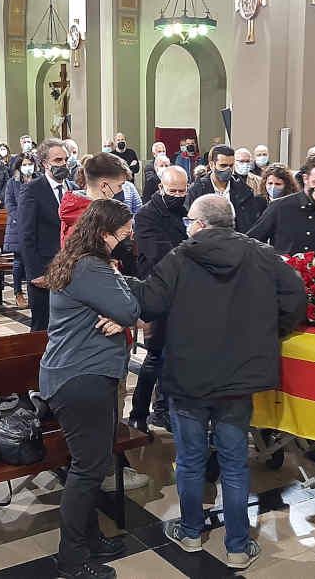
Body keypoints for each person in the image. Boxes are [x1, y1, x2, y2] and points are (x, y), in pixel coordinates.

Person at [127, 194, 305, 571]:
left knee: (190, 460)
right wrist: (270, 331)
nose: (188, 226)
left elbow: (150, 304)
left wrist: (117, 279)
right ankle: (238, 545)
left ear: (202, 224)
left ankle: (191, 531)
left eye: (191, 220)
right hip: (239, 376)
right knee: (235, 462)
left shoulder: (179, 257)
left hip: (188, 374)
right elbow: (295, 299)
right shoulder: (262, 254)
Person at [40, 199, 140, 579]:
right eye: (124, 233)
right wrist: (120, 308)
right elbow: (130, 309)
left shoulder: (82, 260)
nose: (128, 239)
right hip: (80, 377)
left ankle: (91, 538)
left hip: (81, 374)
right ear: (104, 234)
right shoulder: (90, 267)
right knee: (87, 469)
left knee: (92, 464)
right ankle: (71, 558)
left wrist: (118, 302)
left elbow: (123, 298)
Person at [129, 165, 190, 433]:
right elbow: (159, 255)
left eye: (182, 190)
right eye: (172, 190)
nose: (178, 195)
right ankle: (139, 412)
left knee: (175, 355)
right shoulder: (146, 215)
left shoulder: (186, 210)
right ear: (160, 189)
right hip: (159, 291)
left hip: (185, 294)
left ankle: (165, 408)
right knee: (156, 356)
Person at [19, 138, 75, 331]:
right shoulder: (32, 190)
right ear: (44, 163)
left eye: (65, 160)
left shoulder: (73, 189)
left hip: (72, 267)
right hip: (44, 267)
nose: (63, 164)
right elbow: (26, 235)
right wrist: (35, 273)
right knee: (43, 325)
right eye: (58, 160)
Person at [185, 145, 263, 234]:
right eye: (223, 165)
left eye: (231, 165)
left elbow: (249, 224)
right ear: (211, 165)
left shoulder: (244, 191)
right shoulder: (197, 190)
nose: (228, 170)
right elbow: (191, 223)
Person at [4, 155, 36, 308]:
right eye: (25, 164)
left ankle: (34, 292)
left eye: (30, 164)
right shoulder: (12, 183)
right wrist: (22, 219)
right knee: (19, 261)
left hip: (37, 226)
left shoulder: (39, 180)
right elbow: (9, 204)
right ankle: (18, 292)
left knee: (35, 262)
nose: (28, 166)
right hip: (18, 227)